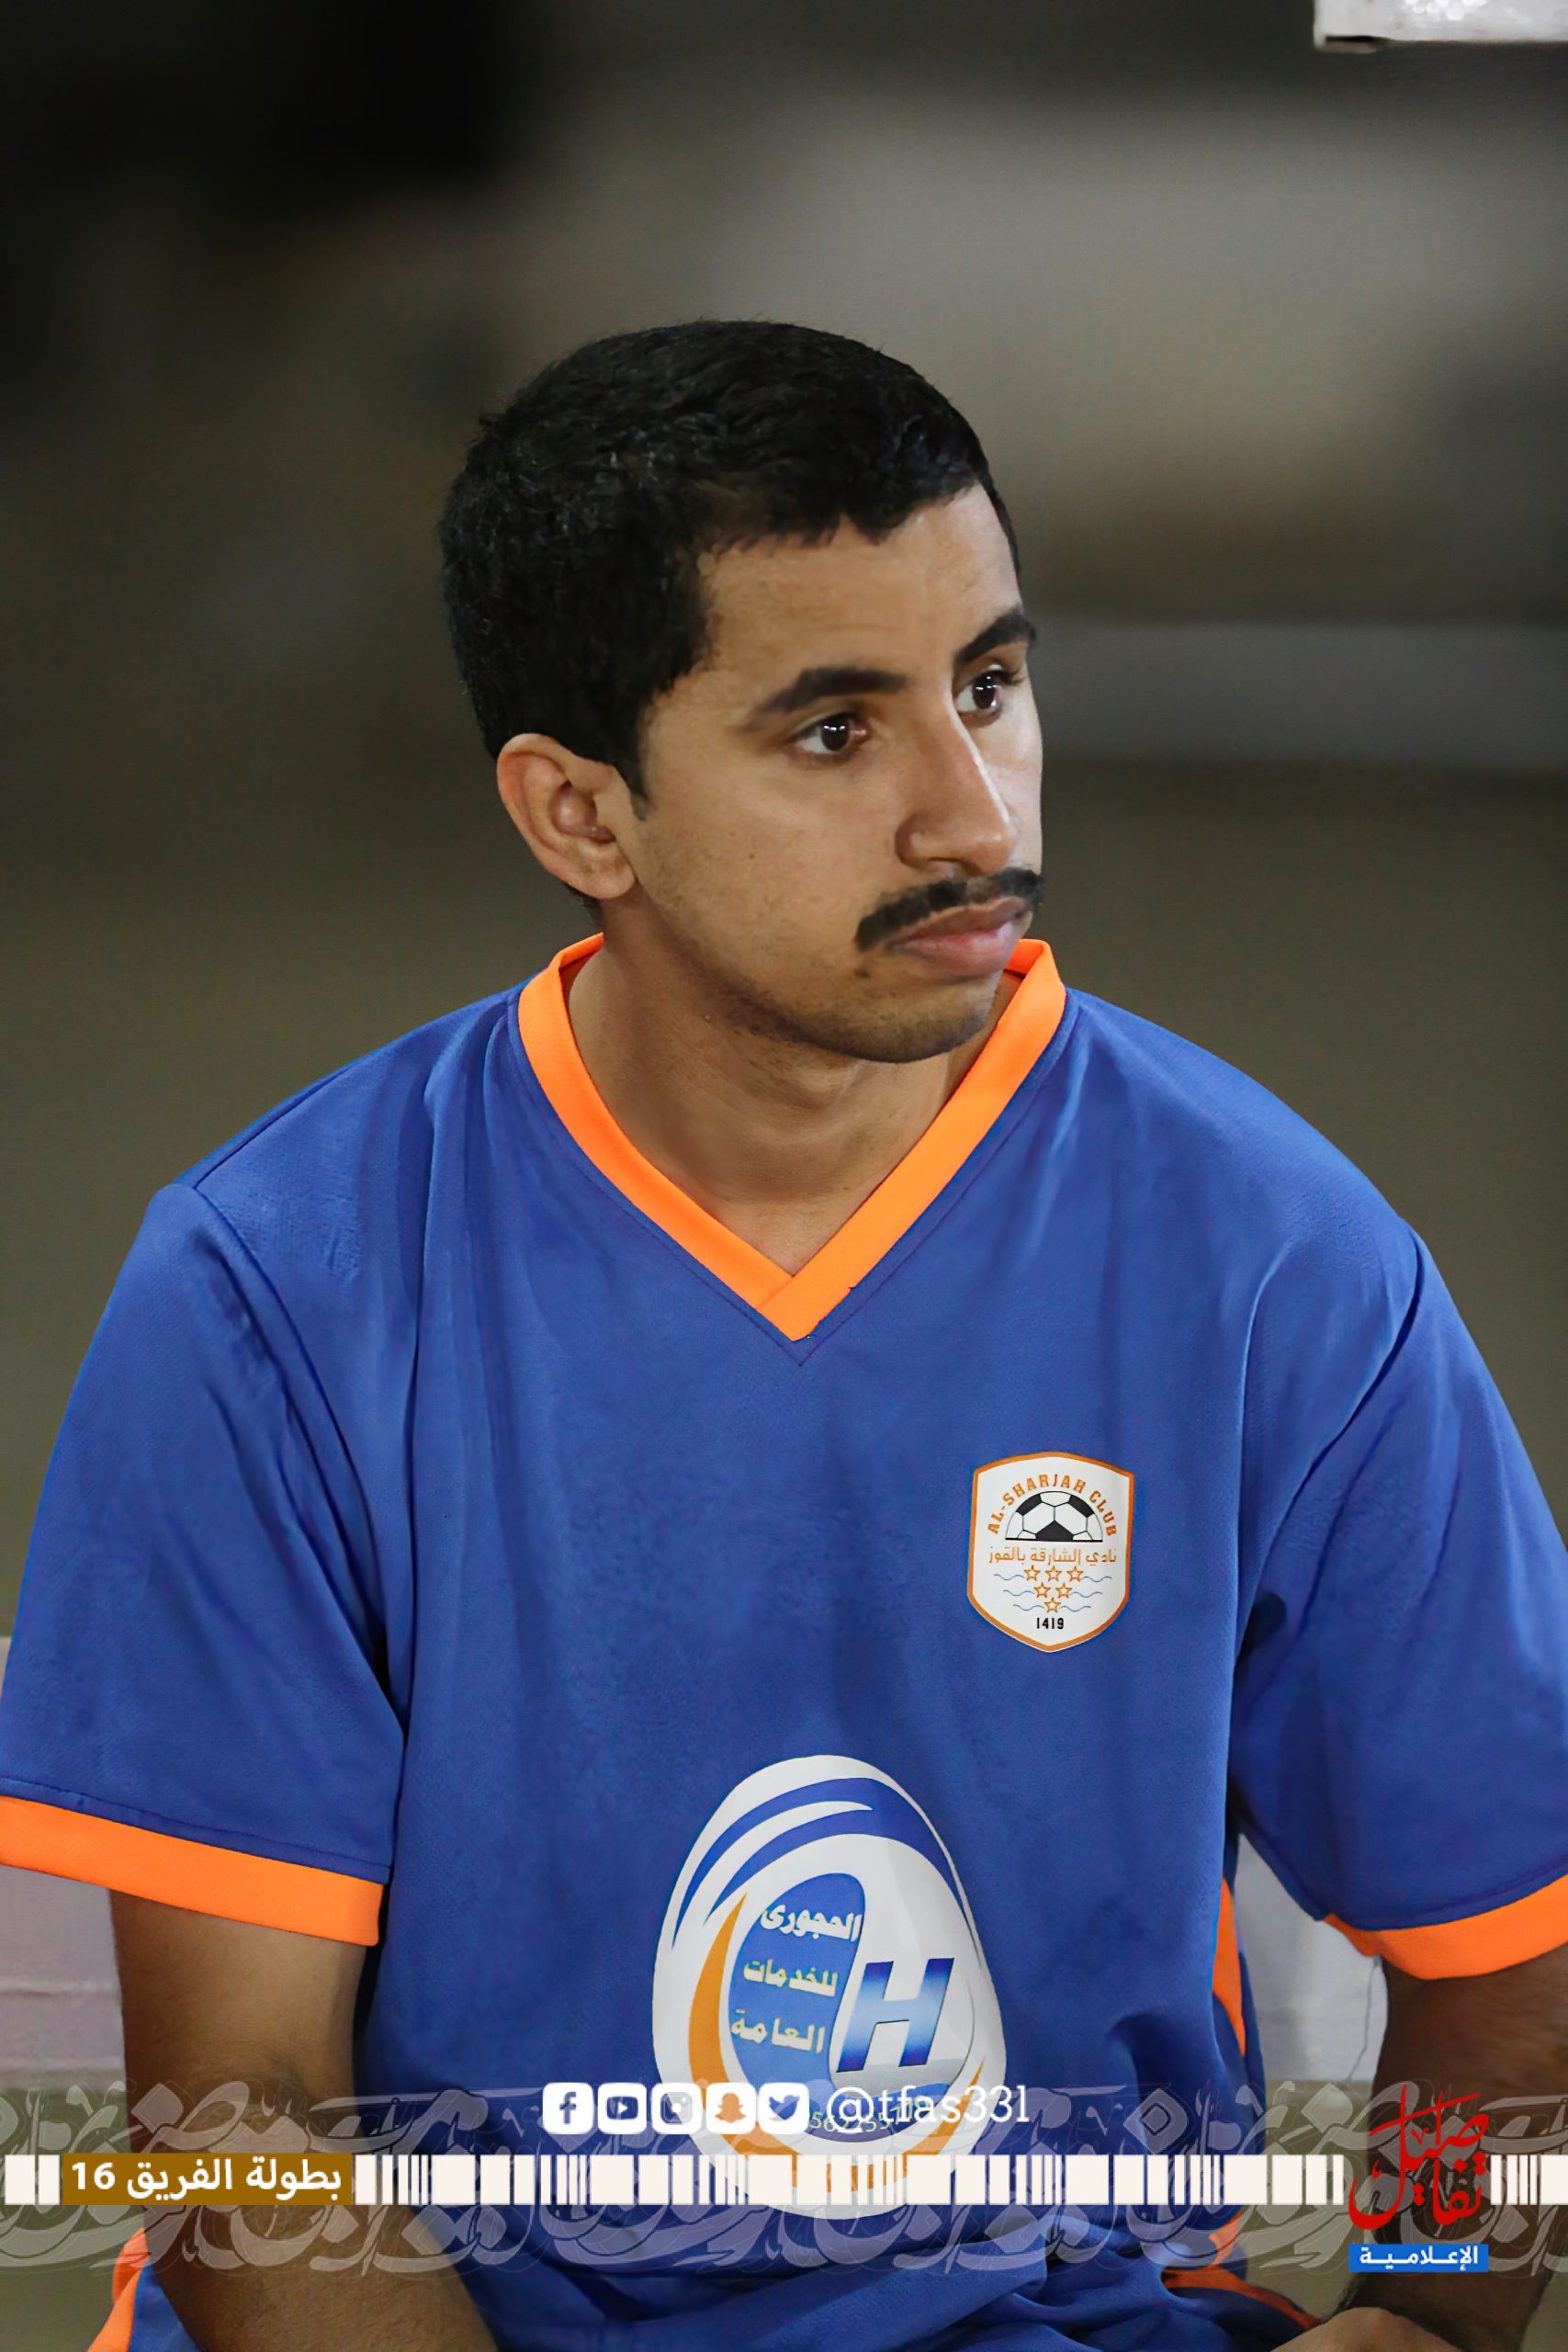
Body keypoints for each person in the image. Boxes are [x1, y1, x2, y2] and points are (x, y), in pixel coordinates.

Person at [1, 321, 1563, 2352]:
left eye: (987, 686)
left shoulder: (1279, 1267)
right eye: (834, 732)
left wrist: (1424, 2314)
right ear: (581, 814)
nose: (968, 814)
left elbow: (1509, 1967)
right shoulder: (276, 1293)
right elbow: (242, 2122)